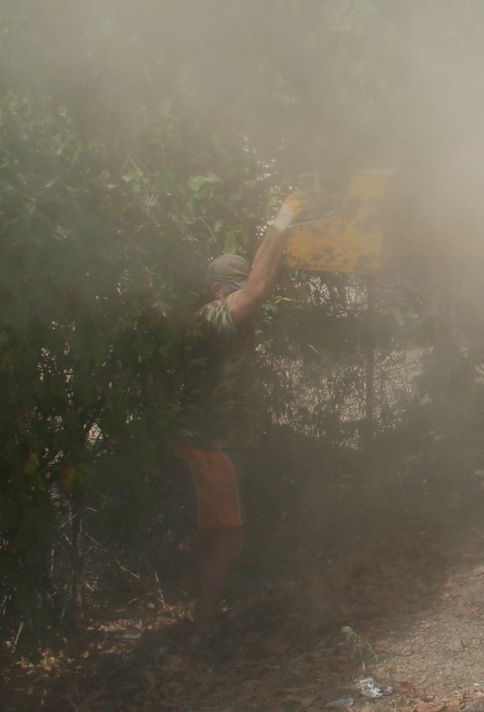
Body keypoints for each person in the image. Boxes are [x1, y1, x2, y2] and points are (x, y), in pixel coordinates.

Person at [171, 193, 304, 640]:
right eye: (239, 287)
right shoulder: (211, 317)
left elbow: (259, 286)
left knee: (215, 538)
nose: (250, 296)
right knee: (228, 541)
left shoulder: (227, 322)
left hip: (213, 446)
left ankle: (199, 625)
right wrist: (282, 220)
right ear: (219, 290)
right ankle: (201, 635)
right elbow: (259, 289)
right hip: (206, 447)